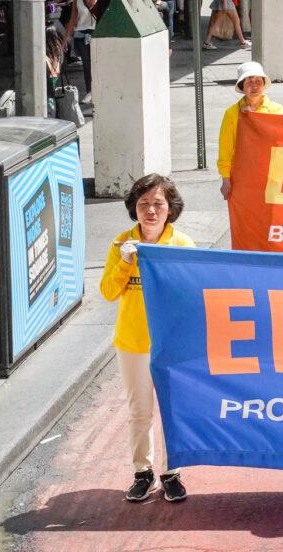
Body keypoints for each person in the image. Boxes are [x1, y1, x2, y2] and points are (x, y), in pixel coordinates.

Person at [100, 173, 196, 504]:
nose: (151, 211)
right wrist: (125, 262)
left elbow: (193, 295)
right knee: (139, 412)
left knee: (171, 410)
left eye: (158, 204)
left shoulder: (182, 245)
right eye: (143, 204)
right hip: (133, 344)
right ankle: (143, 472)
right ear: (134, 209)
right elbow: (108, 292)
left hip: (170, 346)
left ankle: (171, 473)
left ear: (170, 209)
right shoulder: (121, 243)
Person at [217, 62, 283, 200]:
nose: (254, 86)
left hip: (270, 176)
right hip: (242, 177)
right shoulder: (231, 114)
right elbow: (225, 150)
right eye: (249, 81)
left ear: (264, 84)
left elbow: (279, 142)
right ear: (242, 85)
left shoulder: (276, 110)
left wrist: (253, 118)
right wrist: (225, 180)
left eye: (258, 81)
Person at [62, 0, 100, 103]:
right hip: (81, 35)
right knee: (86, 63)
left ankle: (97, 90)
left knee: (96, 63)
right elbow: (72, 20)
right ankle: (90, 91)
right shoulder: (77, 1)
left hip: (95, 34)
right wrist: (65, 39)